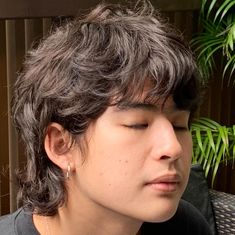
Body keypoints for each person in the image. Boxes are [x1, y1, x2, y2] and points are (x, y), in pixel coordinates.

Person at [0, 1, 212, 234]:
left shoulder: (186, 227)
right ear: (61, 145)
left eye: (179, 125)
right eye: (138, 124)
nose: (173, 147)